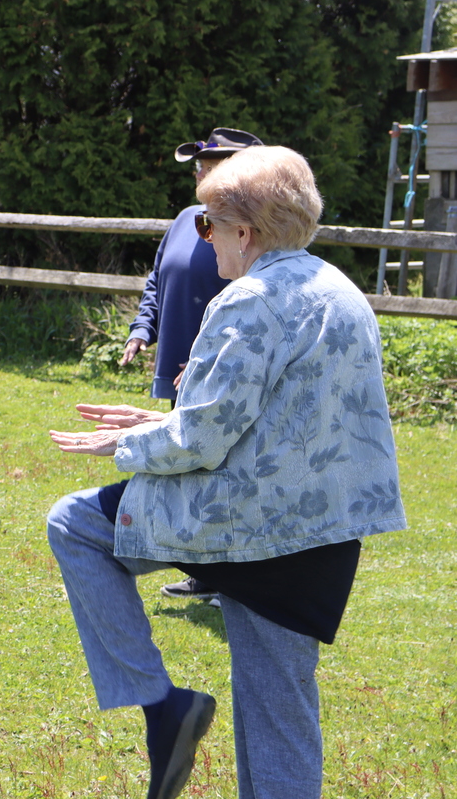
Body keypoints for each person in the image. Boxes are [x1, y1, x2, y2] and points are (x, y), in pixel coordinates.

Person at [45, 146, 405, 799]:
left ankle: (162, 707)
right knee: (280, 719)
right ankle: (169, 713)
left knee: (73, 523)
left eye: (206, 224)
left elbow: (203, 439)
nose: (202, 237)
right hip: (325, 539)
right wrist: (150, 422)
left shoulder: (249, 301)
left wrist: (125, 445)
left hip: (250, 530)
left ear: (245, 232)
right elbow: (270, 415)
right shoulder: (340, 291)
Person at [121, 127, 265, 606]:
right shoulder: (186, 219)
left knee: (228, 469)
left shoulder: (255, 233)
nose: (201, 170)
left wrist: (209, 359)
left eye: (214, 163)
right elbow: (157, 281)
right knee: (191, 471)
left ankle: (237, 580)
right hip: (178, 369)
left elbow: (250, 306)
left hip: (221, 371)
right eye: (200, 164)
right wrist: (143, 330)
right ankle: (205, 574)